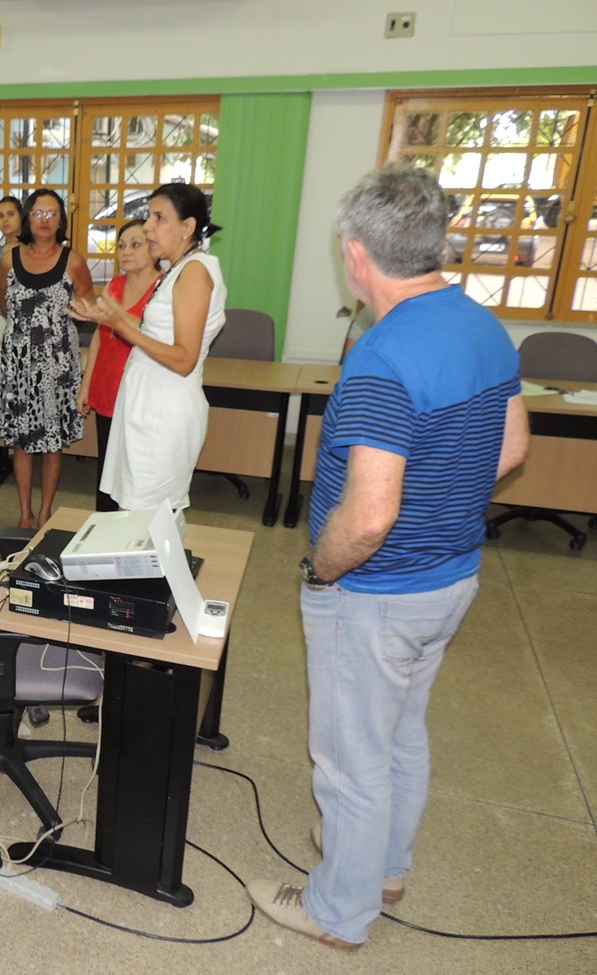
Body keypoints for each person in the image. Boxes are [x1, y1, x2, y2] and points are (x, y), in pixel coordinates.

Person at [246, 165, 529, 950]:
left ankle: (338, 910)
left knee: (350, 759)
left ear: (356, 254)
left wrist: (322, 569)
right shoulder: (481, 324)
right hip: (451, 577)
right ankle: (386, 866)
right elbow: (511, 448)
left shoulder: (382, 355)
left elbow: (367, 519)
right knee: (401, 731)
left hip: (376, 591)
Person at [71, 182, 224, 512]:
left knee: (147, 520)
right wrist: (112, 314)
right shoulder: (177, 269)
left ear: (188, 227)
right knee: (130, 515)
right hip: (145, 406)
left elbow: (184, 358)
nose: (149, 227)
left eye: (158, 218)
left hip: (164, 414)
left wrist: (120, 326)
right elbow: (156, 330)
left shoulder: (195, 272)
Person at [0, 189, 94, 528]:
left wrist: (68, 317)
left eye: (52, 214)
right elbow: (7, 305)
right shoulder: (10, 258)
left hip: (57, 364)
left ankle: (47, 511)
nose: (45, 220)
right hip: (19, 363)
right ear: (27, 218)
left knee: (52, 442)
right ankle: (25, 513)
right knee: (22, 440)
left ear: (62, 220)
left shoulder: (74, 260)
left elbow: (87, 306)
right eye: (38, 213)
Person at [75, 219, 161, 512]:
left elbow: (153, 334)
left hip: (141, 392)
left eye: (136, 244)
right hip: (107, 385)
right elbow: (100, 336)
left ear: (153, 249)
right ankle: (104, 531)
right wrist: (86, 384)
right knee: (107, 470)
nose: (126, 252)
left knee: (135, 470)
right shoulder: (115, 285)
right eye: (121, 246)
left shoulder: (162, 288)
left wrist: (115, 316)